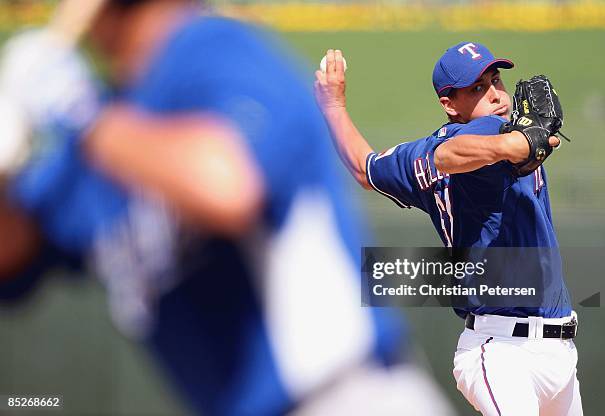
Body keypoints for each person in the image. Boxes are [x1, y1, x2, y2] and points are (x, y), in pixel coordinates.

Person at [0, 0, 456, 415]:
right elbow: (14, 253)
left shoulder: (214, 48)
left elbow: (226, 186)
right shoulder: (104, 136)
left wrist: (79, 112)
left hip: (344, 397)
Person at [314, 43, 583, 415]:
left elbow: (365, 168)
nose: (495, 95)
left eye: (496, 79)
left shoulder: (418, 156)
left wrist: (334, 106)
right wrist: (510, 143)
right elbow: (449, 155)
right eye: (476, 89)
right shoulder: (491, 134)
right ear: (449, 104)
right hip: (502, 353)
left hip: (558, 351)